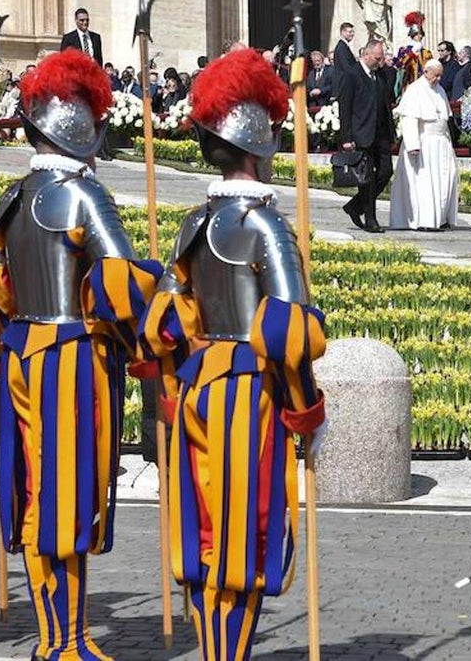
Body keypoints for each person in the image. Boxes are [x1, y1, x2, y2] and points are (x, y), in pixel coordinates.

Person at [139, 48, 327, 661]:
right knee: (246, 537)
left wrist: (168, 400)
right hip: (252, 395)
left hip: (198, 390)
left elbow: (165, 326)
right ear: (257, 144)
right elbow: (287, 337)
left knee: (206, 536)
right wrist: (306, 415)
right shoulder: (269, 228)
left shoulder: (193, 223)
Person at [0, 49, 161, 661]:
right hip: (73, 356)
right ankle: (67, 640)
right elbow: (118, 287)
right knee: (73, 494)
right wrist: (155, 296)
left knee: (39, 493)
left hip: (22, 356)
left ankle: (51, 636)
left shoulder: (12, 196)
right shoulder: (86, 197)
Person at [390, 59, 459, 231]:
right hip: (424, 143)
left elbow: (444, 118)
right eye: (435, 75)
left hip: (441, 143)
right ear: (426, 72)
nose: (438, 79)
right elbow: (410, 119)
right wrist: (413, 144)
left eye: (440, 76)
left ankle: (441, 217)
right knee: (424, 182)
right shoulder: (415, 90)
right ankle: (425, 220)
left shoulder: (440, 90)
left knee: (445, 180)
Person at [337, 39, 394, 233]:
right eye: (377, 58)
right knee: (366, 178)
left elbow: (387, 101)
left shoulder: (381, 75)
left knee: (386, 171)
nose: (380, 62)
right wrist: (346, 138)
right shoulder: (352, 75)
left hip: (381, 133)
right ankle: (371, 219)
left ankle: (355, 206)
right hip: (362, 134)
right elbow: (344, 108)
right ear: (366, 54)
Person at [393, 11, 433, 94]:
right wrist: (412, 52)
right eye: (418, 34)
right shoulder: (404, 50)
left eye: (421, 34)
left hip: (424, 86)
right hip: (410, 85)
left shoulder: (426, 52)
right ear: (412, 35)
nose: (420, 36)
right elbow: (400, 64)